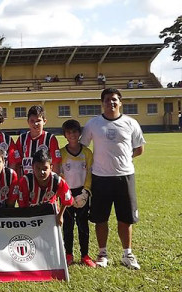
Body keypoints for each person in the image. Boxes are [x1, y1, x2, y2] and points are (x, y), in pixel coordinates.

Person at [80, 88, 145, 270]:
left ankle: (127, 254)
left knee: (125, 218)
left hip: (125, 176)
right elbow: (83, 148)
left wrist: (124, 159)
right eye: (107, 100)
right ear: (102, 103)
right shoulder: (93, 124)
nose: (111, 103)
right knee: (101, 218)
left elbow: (139, 149)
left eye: (115, 99)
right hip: (100, 177)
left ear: (120, 102)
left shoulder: (131, 123)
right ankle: (102, 253)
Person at [59, 120, 96, 267]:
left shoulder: (87, 152)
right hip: (67, 192)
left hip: (82, 192)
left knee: (83, 225)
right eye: (68, 132)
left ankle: (85, 255)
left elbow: (89, 173)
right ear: (65, 135)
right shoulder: (61, 153)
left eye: (74, 131)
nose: (72, 135)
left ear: (79, 133)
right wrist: (65, 193)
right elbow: (60, 175)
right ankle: (68, 254)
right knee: (68, 225)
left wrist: (86, 192)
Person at [14, 150, 72, 227]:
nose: (41, 172)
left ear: (51, 167)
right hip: (31, 215)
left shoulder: (57, 181)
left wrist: (60, 215)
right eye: (38, 168)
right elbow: (22, 205)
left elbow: (67, 200)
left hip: (50, 215)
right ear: (32, 167)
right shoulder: (26, 181)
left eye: (45, 168)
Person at [9, 105, 61, 177]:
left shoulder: (50, 139)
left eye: (38, 121)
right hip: (27, 182)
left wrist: (55, 182)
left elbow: (56, 163)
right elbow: (17, 164)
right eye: (32, 121)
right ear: (28, 121)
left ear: (44, 121)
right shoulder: (22, 139)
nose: (35, 124)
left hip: (45, 181)